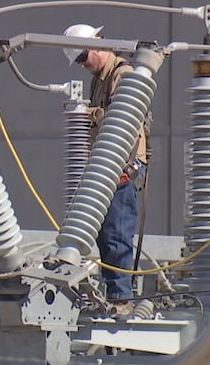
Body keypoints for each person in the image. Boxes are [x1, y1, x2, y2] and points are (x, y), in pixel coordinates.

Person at [63, 24, 149, 315]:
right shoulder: (99, 79)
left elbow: (122, 121)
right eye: (78, 60)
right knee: (102, 232)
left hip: (123, 165)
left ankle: (121, 299)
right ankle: (113, 292)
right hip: (106, 166)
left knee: (116, 231)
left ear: (98, 44)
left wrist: (91, 114)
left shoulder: (121, 75)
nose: (83, 64)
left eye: (83, 56)